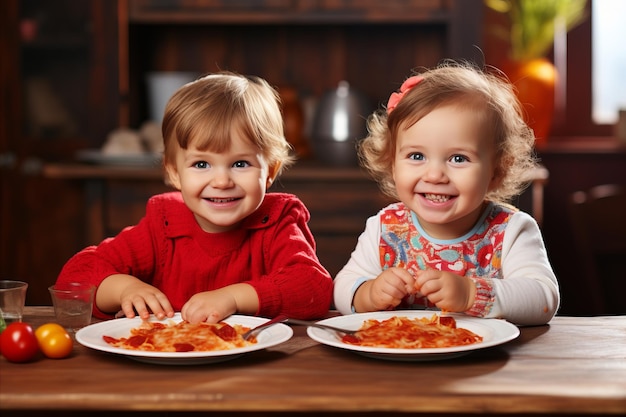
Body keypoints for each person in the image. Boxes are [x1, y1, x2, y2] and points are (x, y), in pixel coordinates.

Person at [57, 72, 333, 323]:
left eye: (240, 164)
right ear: (174, 173)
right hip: (167, 363)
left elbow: (313, 289)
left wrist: (233, 298)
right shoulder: (164, 225)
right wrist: (126, 289)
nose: (222, 182)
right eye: (201, 164)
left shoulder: (275, 223)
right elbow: (74, 277)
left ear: (270, 171)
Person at [333, 61, 559, 326]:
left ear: (496, 171)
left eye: (458, 158)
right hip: (399, 355)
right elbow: (341, 287)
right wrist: (367, 293)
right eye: (417, 156)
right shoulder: (385, 228)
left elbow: (544, 299)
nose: (435, 175)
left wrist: (472, 294)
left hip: (486, 363)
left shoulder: (511, 231)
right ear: (392, 163)